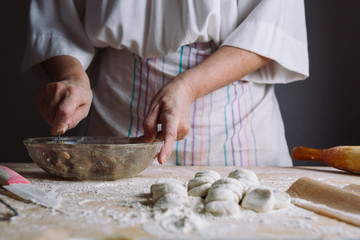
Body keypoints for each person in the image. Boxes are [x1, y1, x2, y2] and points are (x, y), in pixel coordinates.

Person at [22, 0, 309, 166]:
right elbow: (56, 19)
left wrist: (189, 87)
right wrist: (72, 76)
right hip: (118, 110)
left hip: (231, 122)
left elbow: (272, 26)